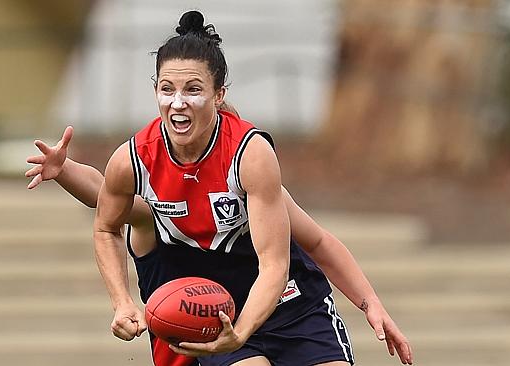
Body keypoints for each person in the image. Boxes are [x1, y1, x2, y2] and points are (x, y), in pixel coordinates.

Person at [26, 10, 412, 366]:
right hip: (219, 311)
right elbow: (109, 215)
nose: (178, 103)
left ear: (218, 94)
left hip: (290, 303)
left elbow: (305, 249)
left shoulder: (250, 157)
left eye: (193, 89)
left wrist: (370, 302)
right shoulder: (135, 160)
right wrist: (121, 300)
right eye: (166, 89)